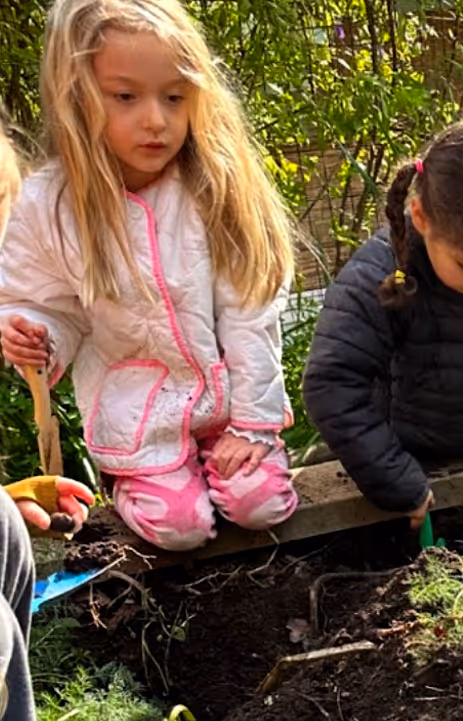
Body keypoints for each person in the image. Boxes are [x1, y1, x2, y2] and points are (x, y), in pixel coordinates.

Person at [0, 0, 300, 552]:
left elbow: (251, 308)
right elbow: (45, 303)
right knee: (178, 528)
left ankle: (230, 456)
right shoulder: (49, 204)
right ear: (77, 97)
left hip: (227, 400)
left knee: (262, 505)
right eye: (125, 96)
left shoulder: (212, 186)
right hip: (138, 410)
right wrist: (34, 333)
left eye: (174, 97)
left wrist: (253, 424)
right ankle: (145, 478)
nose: (156, 119)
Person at [302, 114, 463, 526]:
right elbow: (331, 384)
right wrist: (393, 476)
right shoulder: (382, 277)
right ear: (421, 219)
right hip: (398, 460)